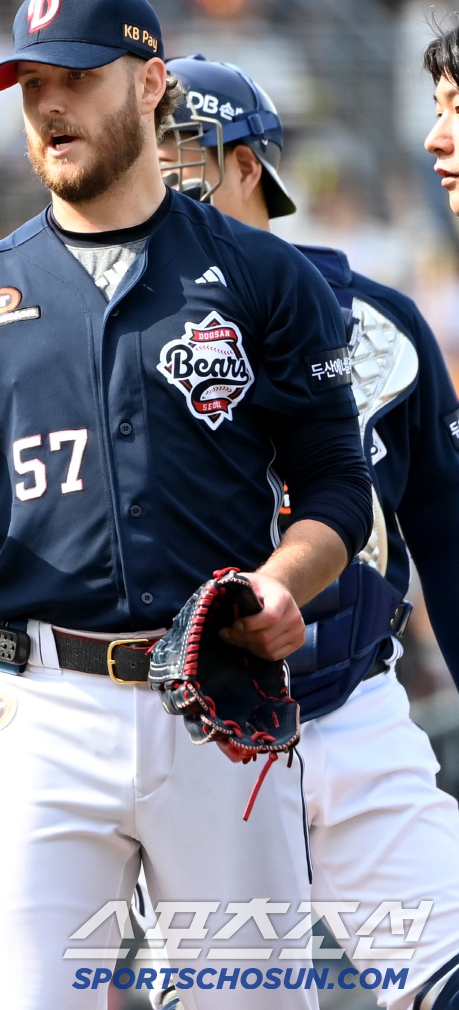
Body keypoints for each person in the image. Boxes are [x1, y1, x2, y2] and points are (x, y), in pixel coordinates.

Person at [0, 0, 374, 1009]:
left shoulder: (263, 276)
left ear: (148, 85)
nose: (50, 105)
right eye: (30, 86)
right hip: (43, 705)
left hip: (219, 695)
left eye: (78, 78)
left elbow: (336, 487)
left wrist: (284, 582)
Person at [154, 53, 459, 1010]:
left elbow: (447, 535)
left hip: (358, 708)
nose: (156, 170)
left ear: (247, 162)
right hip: (199, 731)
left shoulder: (381, 324)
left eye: (180, 147)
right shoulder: (107, 325)